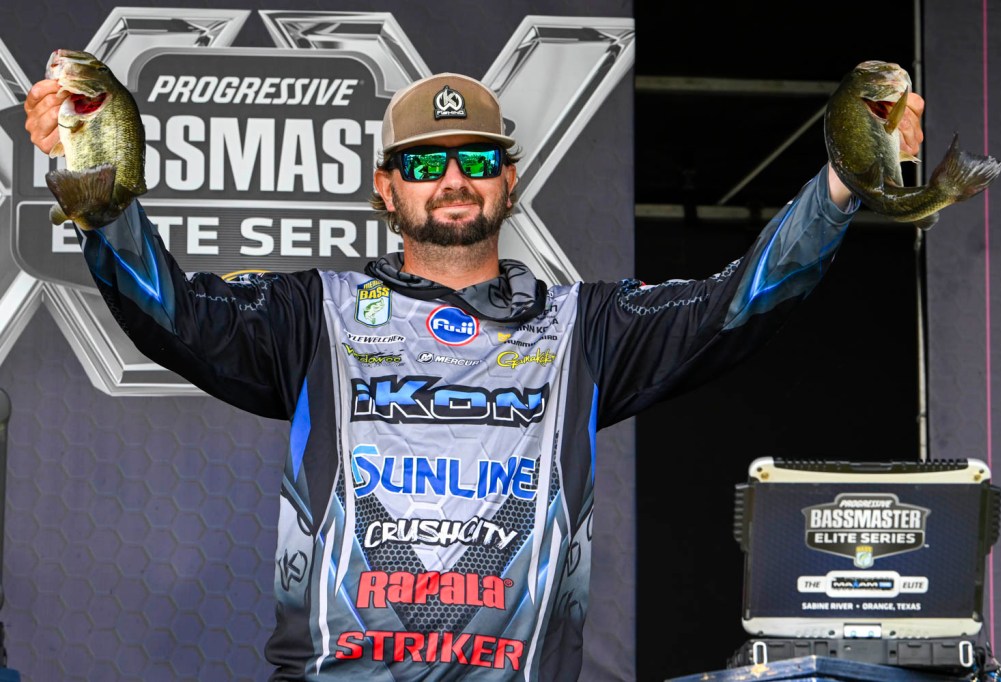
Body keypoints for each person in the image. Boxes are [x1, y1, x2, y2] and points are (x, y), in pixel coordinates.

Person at [24, 70, 924, 680]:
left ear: (509, 178)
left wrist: (841, 184)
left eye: (477, 158)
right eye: (425, 162)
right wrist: (92, 179)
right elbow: (172, 313)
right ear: (387, 187)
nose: (453, 177)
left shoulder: (585, 327)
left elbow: (742, 300)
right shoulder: (312, 315)